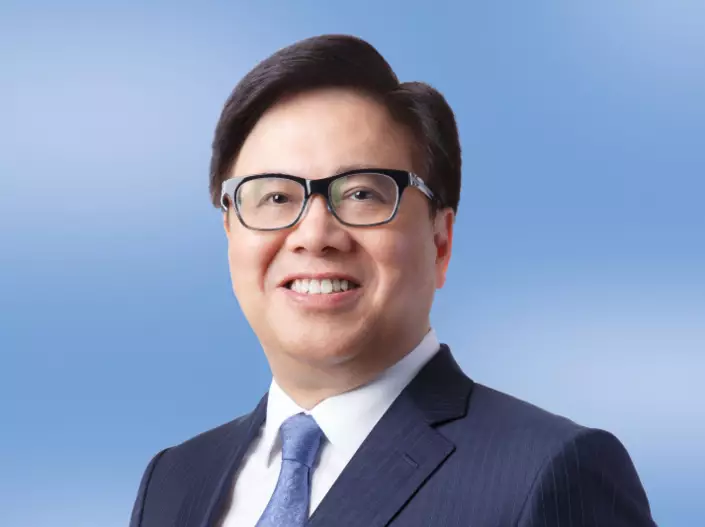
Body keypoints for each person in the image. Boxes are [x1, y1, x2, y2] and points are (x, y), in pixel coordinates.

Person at [129, 34, 656, 527]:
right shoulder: (174, 481)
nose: (315, 235)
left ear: (440, 241)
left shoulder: (550, 471)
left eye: (362, 194)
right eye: (275, 197)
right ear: (230, 232)